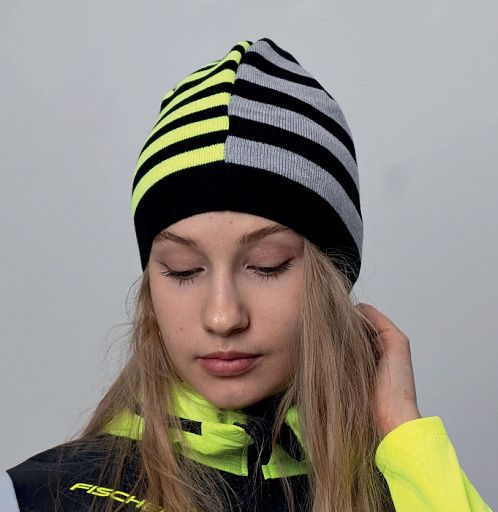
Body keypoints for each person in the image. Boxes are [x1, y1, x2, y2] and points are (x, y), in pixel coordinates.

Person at [1, 37, 492, 512]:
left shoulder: (406, 490)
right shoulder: (33, 499)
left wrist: (408, 442)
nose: (223, 316)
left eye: (266, 265)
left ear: (331, 283)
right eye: (183, 270)